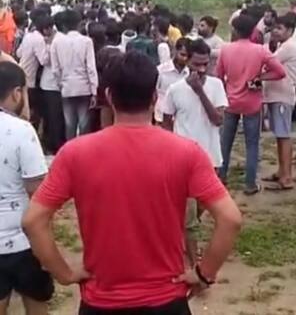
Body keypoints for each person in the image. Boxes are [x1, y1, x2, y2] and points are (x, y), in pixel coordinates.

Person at [23, 51, 242, 314]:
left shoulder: (75, 153)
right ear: (155, 97)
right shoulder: (187, 152)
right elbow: (230, 219)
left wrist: (64, 273)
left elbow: (33, 221)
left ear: (109, 96)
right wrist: (204, 273)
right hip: (166, 300)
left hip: (102, 301)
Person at [163, 39, 228, 266]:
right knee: (189, 218)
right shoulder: (175, 90)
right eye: (196, 64)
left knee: (201, 207)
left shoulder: (216, 85)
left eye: (205, 64)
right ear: (187, 61)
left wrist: (200, 91)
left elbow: (218, 119)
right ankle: (192, 263)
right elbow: (166, 122)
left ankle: (180, 236)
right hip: (183, 160)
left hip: (210, 157)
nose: (201, 69)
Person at [0, 62, 54, 315]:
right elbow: (39, 193)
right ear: (16, 93)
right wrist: (47, 246)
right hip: (22, 242)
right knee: (36, 304)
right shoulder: (22, 130)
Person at [216, 15, 286, 195]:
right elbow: (280, 72)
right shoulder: (260, 50)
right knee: (252, 144)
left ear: (235, 30)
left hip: (231, 101)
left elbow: (219, 76)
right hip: (252, 103)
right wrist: (260, 78)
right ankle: (250, 183)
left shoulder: (226, 49)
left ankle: (221, 177)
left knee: (225, 142)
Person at [262, 14, 296, 190]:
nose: (275, 31)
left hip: (282, 97)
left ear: (290, 30)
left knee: (284, 136)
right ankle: (281, 171)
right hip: (276, 96)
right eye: (274, 28)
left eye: (279, 28)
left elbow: (268, 63)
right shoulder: (282, 45)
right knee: (280, 135)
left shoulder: (289, 47)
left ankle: (286, 177)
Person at [51, 9, 98, 140]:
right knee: (84, 124)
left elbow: (55, 69)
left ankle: (70, 148)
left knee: (69, 124)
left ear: (64, 25)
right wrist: (94, 90)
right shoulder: (87, 41)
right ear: (79, 24)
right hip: (84, 87)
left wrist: (60, 84)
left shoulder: (56, 42)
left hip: (66, 87)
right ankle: (83, 149)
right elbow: (91, 68)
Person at [17, 12, 50, 131]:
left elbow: (18, 53)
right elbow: (43, 60)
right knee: (32, 110)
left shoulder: (28, 36)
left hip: (20, 71)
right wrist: (49, 46)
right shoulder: (39, 39)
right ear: (45, 29)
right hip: (30, 79)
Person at [40, 13, 66, 154]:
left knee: (53, 116)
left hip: (51, 84)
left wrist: (48, 46)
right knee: (56, 116)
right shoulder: (62, 38)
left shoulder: (54, 41)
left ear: (49, 28)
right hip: (57, 84)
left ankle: (54, 145)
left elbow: (44, 61)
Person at [155, 38, 191, 125]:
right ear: (175, 51)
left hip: (181, 119)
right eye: (182, 54)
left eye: (188, 56)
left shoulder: (190, 73)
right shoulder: (161, 70)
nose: (185, 58)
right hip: (160, 117)